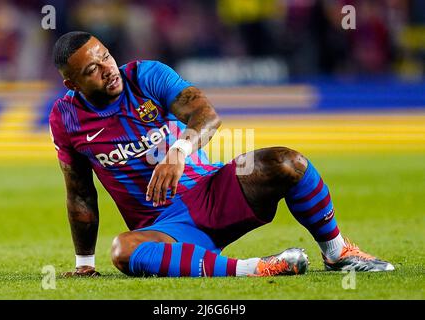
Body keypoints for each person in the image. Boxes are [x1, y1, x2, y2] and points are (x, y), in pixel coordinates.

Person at [49, 31, 394, 278]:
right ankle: (260, 268)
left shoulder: (145, 75)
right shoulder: (65, 119)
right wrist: (84, 263)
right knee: (123, 251)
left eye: (106, 56)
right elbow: (80, 192)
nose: (108, 68)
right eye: (92, 69)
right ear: (73, 84)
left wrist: (178, 151)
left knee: (288, 163)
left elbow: (206, 115)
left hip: (217, 191)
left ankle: (337, 253)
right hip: (167, 227)